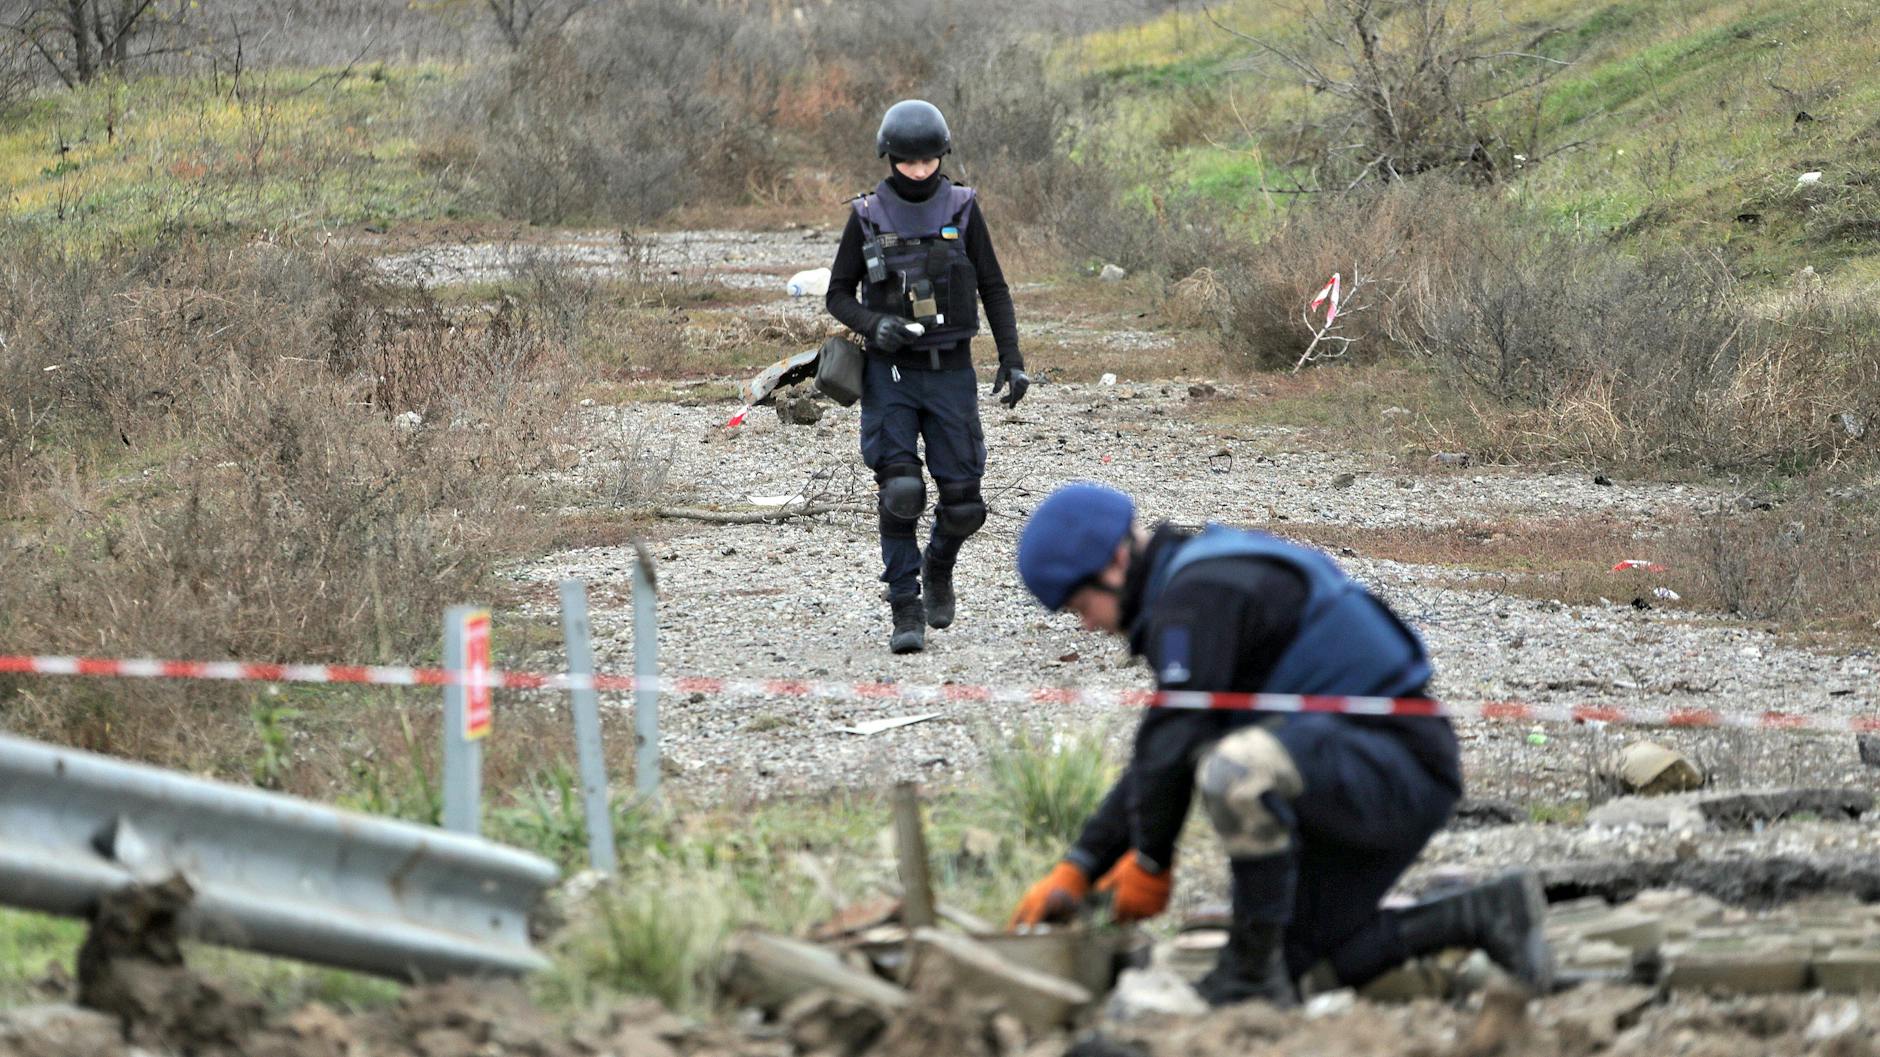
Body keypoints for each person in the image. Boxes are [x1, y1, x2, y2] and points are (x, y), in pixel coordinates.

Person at [1008, 482, 1553, 1006]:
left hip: (1395, 767)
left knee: (1236, 771)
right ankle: (1485, 913)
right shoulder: (1194, 587)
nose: (1087, 627)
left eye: (1081, 607)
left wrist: (1151, 860)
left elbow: (1174, 740)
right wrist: (1083, 862)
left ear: (1114, 565)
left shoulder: (1199, 595)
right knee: (1304, 971)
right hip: (1364, 770)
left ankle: (1247, 974)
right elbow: (1167, 742)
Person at [825, 99, 1028, 655]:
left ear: (942, 156)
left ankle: (939, 567)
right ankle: (905, 608)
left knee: (964, 505)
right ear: (889, 157)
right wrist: (874, 322)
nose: (919, 171)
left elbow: (994, 287)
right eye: (908, 162)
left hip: (952, 372)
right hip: (890, 372)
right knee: (902, 491)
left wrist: (1011, 357)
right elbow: (838, 294)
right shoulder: (866, 215)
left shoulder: (963, 208)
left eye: (928, 161)